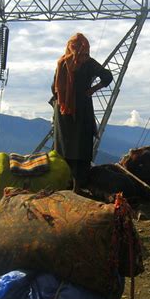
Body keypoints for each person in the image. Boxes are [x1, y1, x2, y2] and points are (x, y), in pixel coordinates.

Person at [51, 33, 113, 193]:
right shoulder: (88, 62)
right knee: (81, 145)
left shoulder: (62, 63)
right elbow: (107, 76)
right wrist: (92, 90)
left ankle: (65, 184)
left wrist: (64, 99)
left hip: (62, 111)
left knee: (65, 146)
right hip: (81, 109)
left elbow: (54, 88)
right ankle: (78, 185)